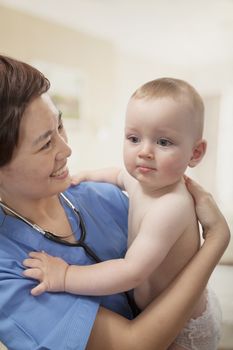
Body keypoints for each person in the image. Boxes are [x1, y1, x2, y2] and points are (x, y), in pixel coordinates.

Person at [0, 55, 230, 350]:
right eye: (46, 143)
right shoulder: (7, 270)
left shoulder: (100, 196)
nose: (67, 149)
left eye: (60, 126)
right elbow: (133, 344)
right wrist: (216, 241)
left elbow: (134, 269)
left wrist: (67, 274)